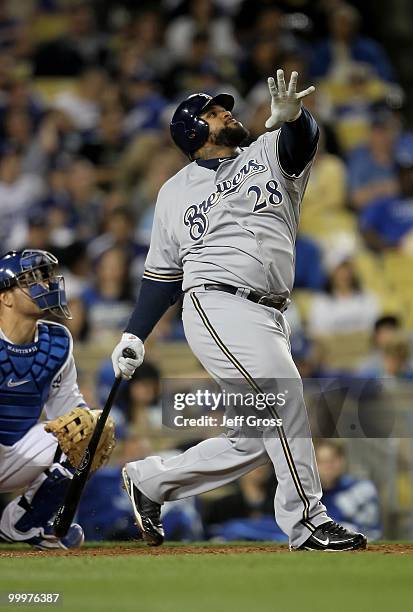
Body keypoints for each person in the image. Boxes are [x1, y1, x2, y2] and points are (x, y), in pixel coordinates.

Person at [111, 69, 367, 552]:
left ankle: (151, 481)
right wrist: (134, 335)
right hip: (215, 300)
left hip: (270, 313)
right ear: (193, 131)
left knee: (253, 436)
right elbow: (163, 274)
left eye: (222, 107)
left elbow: (300, 143)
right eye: (212, 111)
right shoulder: (173, 191)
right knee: (283, 396)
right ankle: (308, 522)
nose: (225, 112)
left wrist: (295, 119)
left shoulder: (266, 153)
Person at [0, 249, 113, 549]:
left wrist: (87, 425)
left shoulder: (57, 341)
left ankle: (24, 524)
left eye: (46, 277)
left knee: (89, 428)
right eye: (32, 280)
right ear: (6, 297)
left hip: (13, 454)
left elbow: (68, 410)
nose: (47, 284)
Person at [315, 441, 382, 541]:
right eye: (321, 462)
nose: (327, 467)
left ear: (342, 461)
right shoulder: (307, 495)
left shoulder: (362, 490)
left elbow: (370, 532)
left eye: (332, 461)